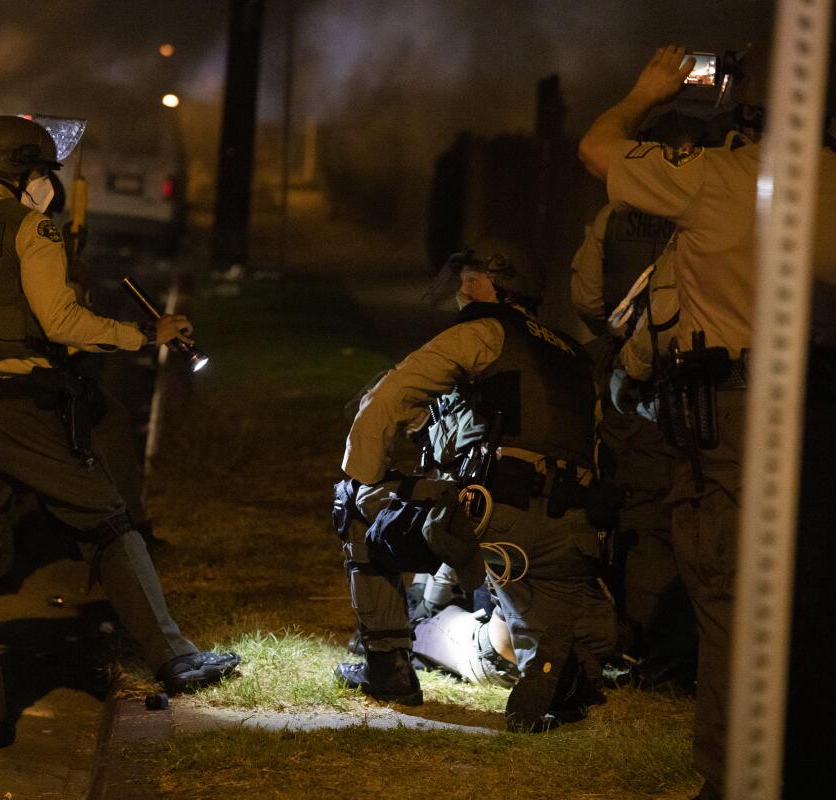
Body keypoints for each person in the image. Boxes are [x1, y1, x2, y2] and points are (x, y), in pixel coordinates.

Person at [0, 114, 239, 752]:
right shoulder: (31, 228)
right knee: (109, 523)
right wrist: (143, 334)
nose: (48, 182)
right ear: (25, 173)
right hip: (25, 411)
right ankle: (176, 658)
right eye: (44, 171)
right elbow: (62, 320)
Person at [579, 44, 836, 799]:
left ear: (744, 105)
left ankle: (734, 780)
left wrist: (647, 91)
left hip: (738, 418)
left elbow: (597, 148)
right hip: (825, 413)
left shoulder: (722, 179)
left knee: (732, 599)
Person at [335, 242, 617, 731]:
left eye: (476, 276)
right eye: (462, 274)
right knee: (522, 643)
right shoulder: (571, 353)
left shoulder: (484, 332)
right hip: (572, 532)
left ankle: (387, 667)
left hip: (496, 515)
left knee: (357, 502)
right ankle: (561, 673)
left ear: (506, 287)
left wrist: (360, 475)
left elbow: (391, 395)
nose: (464, 284)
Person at [571, 194, 696, 689]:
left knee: (639, 511)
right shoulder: (709, 204)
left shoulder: (615, 214)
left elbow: (586, 292)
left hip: (636, 364)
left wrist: (618, 344)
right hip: (692, 368)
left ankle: (646, 643)